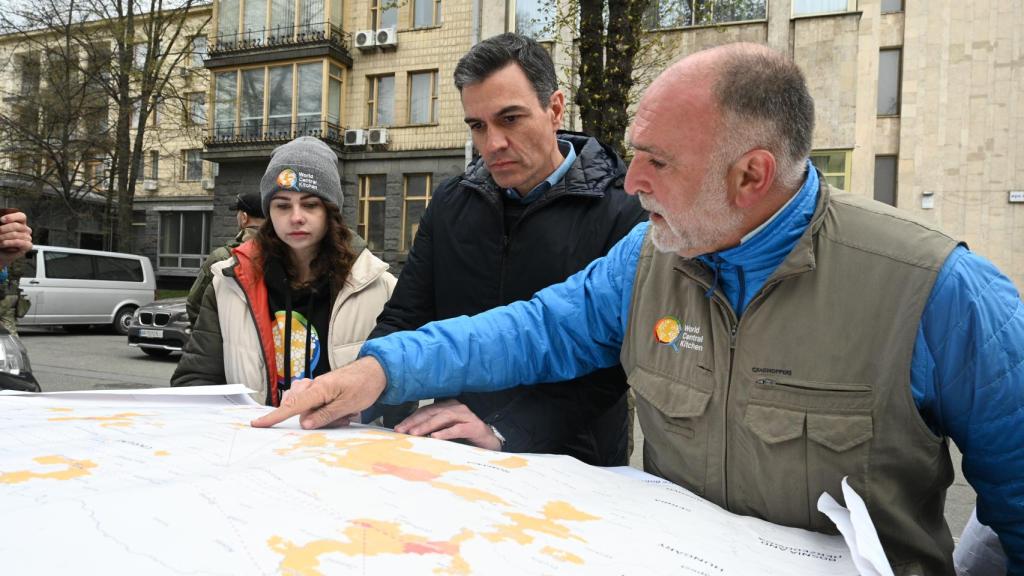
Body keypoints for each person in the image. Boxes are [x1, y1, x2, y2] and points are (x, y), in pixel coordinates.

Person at [253, 44, 1024, 573]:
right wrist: (381, 370)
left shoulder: (940, 293)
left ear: (751, 175)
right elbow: (535, 329)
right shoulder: (650, 257)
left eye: (657, 162)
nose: (630, 183)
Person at [370, 33, 645, 464]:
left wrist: (506, 430)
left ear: (555, 109)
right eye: (478, 126)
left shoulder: (622, 209)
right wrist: (364, 390)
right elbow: (406, 316)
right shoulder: (450, 202)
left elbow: (615, 363)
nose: (493, 143)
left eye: (510, 119)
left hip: (572, 463)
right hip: (456, 447)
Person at [172, 136, 396, 406]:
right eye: (283, 205)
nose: (296, 217)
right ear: (269, 211)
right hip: (255, 432)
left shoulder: (380, 288)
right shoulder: (228, 284)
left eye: (310, 204)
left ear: (331, 211)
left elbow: (397, 394)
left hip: (339, 433)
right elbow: (195, 382)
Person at [185, 190, 266, 326]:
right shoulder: (286, 253)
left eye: (238, 213)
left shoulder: (222, 257)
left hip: (227, 335)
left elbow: (195, 305)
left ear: (244, 218)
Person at [0, 209, 34, 334]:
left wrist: (3, 260)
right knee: (9, 328)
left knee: (9, 333)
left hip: (8, 293)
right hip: (8, 293)